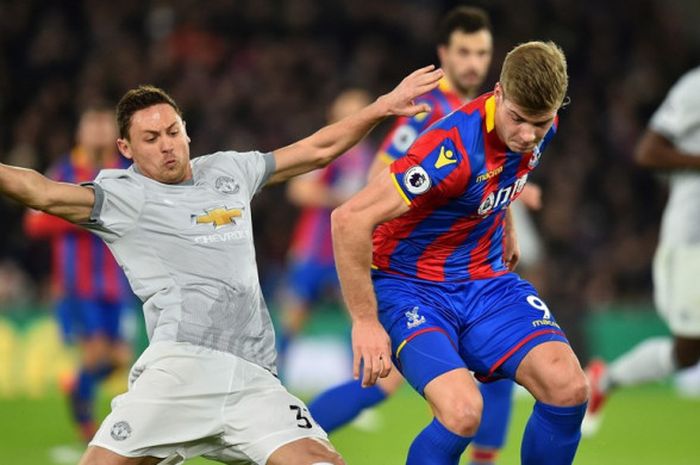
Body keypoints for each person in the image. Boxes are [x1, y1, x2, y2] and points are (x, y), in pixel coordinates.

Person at [0, 66, 442, 465]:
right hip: (179, 375)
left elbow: (318, 149)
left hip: (254, 378)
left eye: (172, 132)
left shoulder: (229, 171)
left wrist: (382, 107)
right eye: (150, 140)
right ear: (126, 148)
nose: (167, 146)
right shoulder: (121, 196)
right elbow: (41, 192)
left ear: (186, 130)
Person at [330, 41, 588, 465]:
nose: (527, 134)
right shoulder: (448, 148)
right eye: (518, 119)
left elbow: (503, 171)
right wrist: (364, 320)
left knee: (568, 387)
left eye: (538, 123)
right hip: (410, 288)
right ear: (500, 93)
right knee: (462, 412)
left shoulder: (544, 125)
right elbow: (349, 219)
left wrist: (503, 221)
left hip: (484, 280)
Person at [308, 8, 525, 464]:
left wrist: (504, 220)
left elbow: (485, 183)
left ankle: (288, 436)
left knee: (495, 367)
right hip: (411, 273)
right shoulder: (429, 113)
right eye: (463, 52)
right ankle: (287, 438)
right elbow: (377, 181)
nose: (472, 63)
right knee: (386, 377)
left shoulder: (496, 113)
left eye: (482, 53)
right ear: (443, 54)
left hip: (465, 267)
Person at [584, 66, 700, 435]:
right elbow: (648, 151)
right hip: (692, 239)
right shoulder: (696, 87)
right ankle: (604, 380)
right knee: (688, 350)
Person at [23, 105, 133, 442]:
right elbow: (34, 222)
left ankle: (76, 385)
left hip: (117, 283)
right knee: (97, 353)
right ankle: (87, 424)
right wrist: (82, 214)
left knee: (120, 359)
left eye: (104, 126)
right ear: (80, 133)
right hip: (78, 284)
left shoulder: (126, 170)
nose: (99, 133)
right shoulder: (64, 170)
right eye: (93, 126)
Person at [277, 89, 373, 374]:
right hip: (315, 249)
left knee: (359, 315)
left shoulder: (371, 156)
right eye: (347, 114)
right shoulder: (328, 152)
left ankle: (357, 385)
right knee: (293, 317)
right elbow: (298, 190)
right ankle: (273, 380)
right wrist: (340, 199)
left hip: (351, 250)